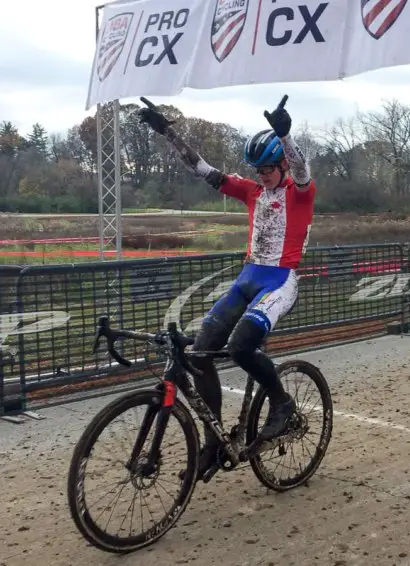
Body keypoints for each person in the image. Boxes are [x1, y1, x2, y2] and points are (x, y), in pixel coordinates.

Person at [137, 96, 316, 478]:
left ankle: (282, 404)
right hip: (248, 278)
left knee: (239, 347)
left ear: (281, 164)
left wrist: (286, 135)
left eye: (269, 167)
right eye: (258, 168)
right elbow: (202, 169)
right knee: (201, 353)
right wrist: (167, 131)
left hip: (280, 281)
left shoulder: (299, 193)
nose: (263, 173)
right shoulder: (252, 192)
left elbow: (301, 170)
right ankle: (214, 440)